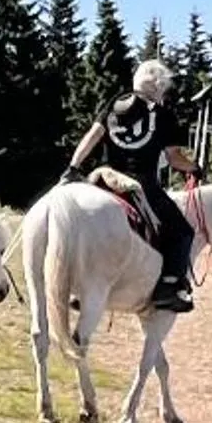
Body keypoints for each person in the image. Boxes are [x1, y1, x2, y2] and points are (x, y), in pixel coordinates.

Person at [65, 56, 200, 310]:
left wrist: (73, 167)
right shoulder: (163, 115)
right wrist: (194, 168)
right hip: (140, 183)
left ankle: (78, 284)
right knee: (183, 232)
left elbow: (91, 137)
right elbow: (174, 159)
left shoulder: (113, 105)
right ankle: (168, 287)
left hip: (105, 179)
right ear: (158, 87)